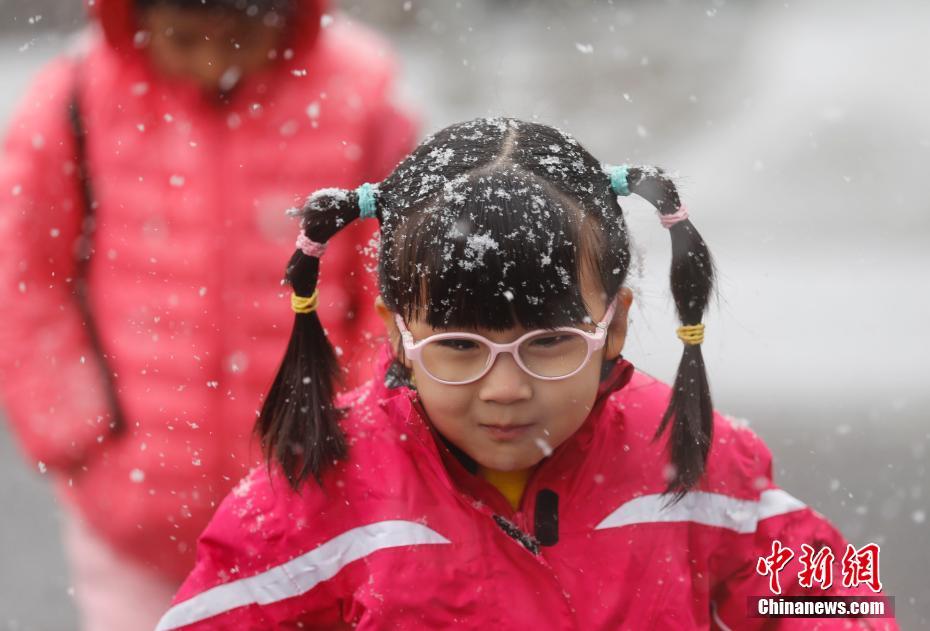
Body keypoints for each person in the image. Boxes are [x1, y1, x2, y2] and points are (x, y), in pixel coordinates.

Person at [157, 117, 896, 629]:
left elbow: (830, 598)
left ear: (615, 327)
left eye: (547, 343)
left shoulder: (692, 461)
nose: (504, 389)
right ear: (398, 333)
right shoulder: (322, 486)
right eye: (459, 346)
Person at [0, 0, 414, 628]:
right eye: (186, 39)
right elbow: (21, 273)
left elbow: (387, 286)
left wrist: (356, 433)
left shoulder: (359, 98)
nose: (215, 63)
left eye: (240, 38)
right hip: (135, 506)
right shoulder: (76, 97)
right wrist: (74, 428)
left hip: (307, 495)